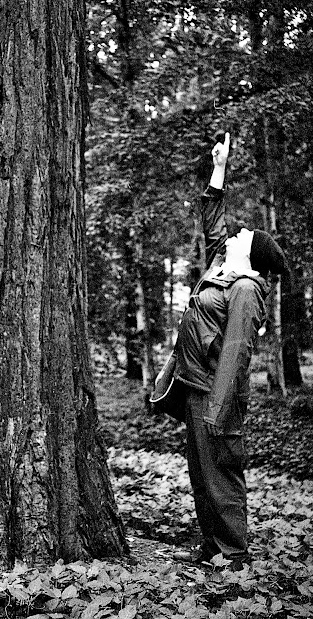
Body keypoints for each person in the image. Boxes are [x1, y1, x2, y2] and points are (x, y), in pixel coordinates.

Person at [174, 132, 288, 568]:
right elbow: (214, 221)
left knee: (220, 476)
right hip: (197, 386)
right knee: (201, 476)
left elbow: (236, 353)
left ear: (251, 257)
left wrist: (218, 411)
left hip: (215, 394)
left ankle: (234, 556)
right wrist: (219, 170)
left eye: (244, 235)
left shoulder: (245, 288)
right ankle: (213, 549)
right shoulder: (228, 268)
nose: (236, 233)